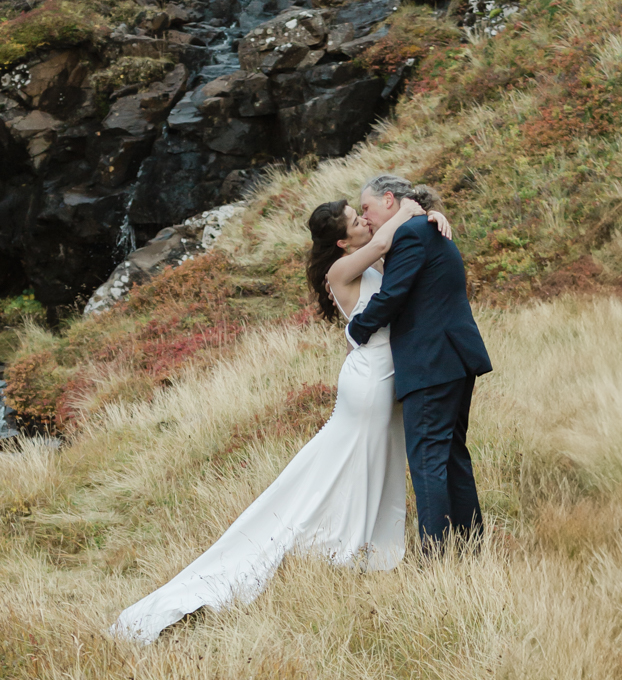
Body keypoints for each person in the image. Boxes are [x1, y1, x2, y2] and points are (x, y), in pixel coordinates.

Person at [110, 189, 451, 644]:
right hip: (369, 383)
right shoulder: (342, 269)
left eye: (361, 216)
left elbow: (401, 253)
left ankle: (358, 541)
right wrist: (410, 210)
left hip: (381, 376)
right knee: (355, 463)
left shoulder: (367, 260)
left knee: (360, 464)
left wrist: (432, 214)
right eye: (356, 222)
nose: (365, 223)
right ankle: (339, 546)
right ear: (343, 243)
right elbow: (388, 240)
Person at [345, 173, 492, 550]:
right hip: (454, 358)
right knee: (452, 454)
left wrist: (356, 331)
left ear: (389, 200)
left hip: (432, 361)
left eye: (367, 208)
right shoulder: (426, 227)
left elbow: (393, 294)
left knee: (428, 459)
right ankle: (471, 544)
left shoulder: (411, 233)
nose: (366, 218)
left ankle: (436, 557)